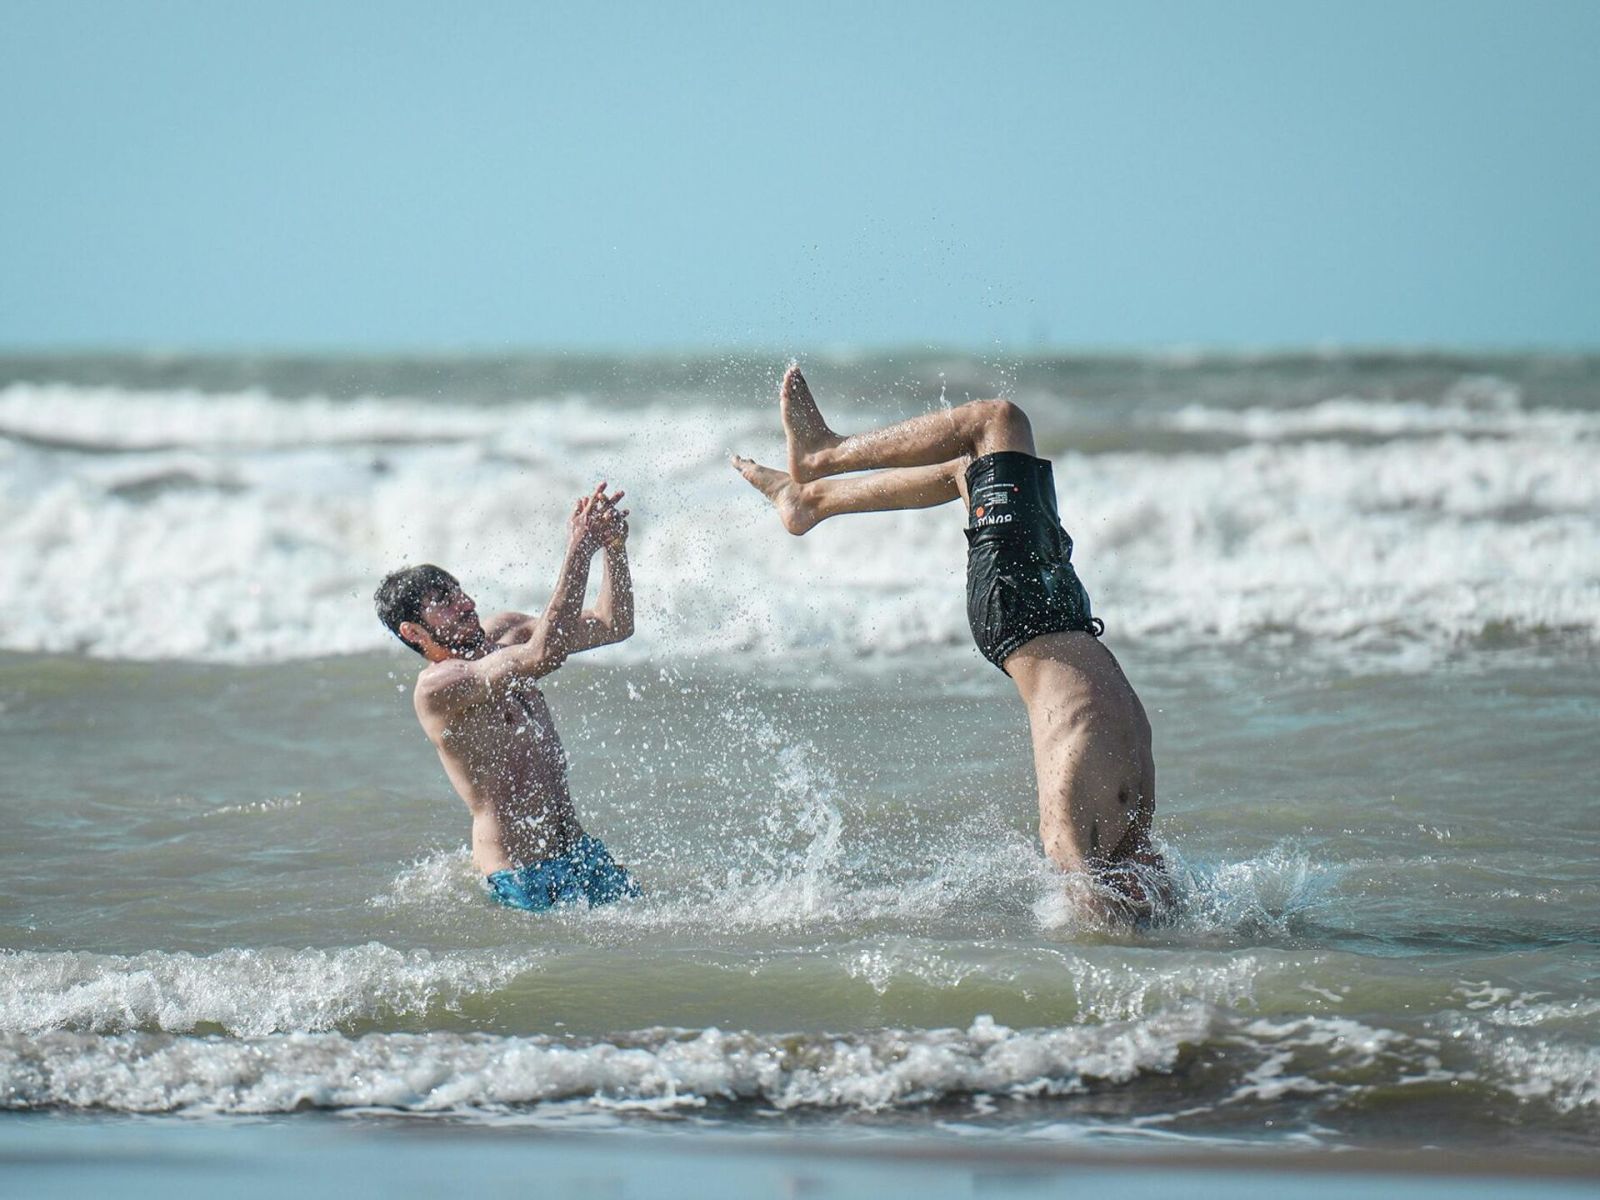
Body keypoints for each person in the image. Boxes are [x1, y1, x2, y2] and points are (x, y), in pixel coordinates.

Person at [732, 366, 1169, 923]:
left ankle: (821, 460)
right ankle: (810, 499)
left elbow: (1067, 873)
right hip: (1058, 609)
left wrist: (1095, 912)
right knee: (972, 468)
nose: (1148, 885)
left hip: (1022, 612)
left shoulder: (1074, 845)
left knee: (995, 423)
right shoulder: (1121, 845)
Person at [373, 482, 640, 913]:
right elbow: (543, 655)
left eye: (458, 591)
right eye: (443, 601)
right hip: (521, 873)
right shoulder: (439, 689)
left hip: (579, 854)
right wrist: (578, 546)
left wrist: (612, 547)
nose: (465, 603)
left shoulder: (503, 634)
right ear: (413, 632)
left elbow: (615, 623)